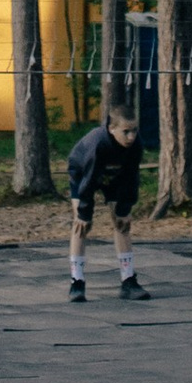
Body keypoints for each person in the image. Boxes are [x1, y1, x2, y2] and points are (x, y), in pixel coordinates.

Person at [65, 104, 149, 303]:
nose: (131, 137)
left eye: (134, 131)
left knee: (122, 224)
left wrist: (124, 209)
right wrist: (85, 214)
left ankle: (128, 280)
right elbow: (88, 180)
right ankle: (77, 282)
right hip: (83, 174)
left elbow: (131, 177)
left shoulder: (136, 145)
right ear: (111, 129)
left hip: (115, 176)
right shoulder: (98, 144)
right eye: (125, 132)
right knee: (81, 226)